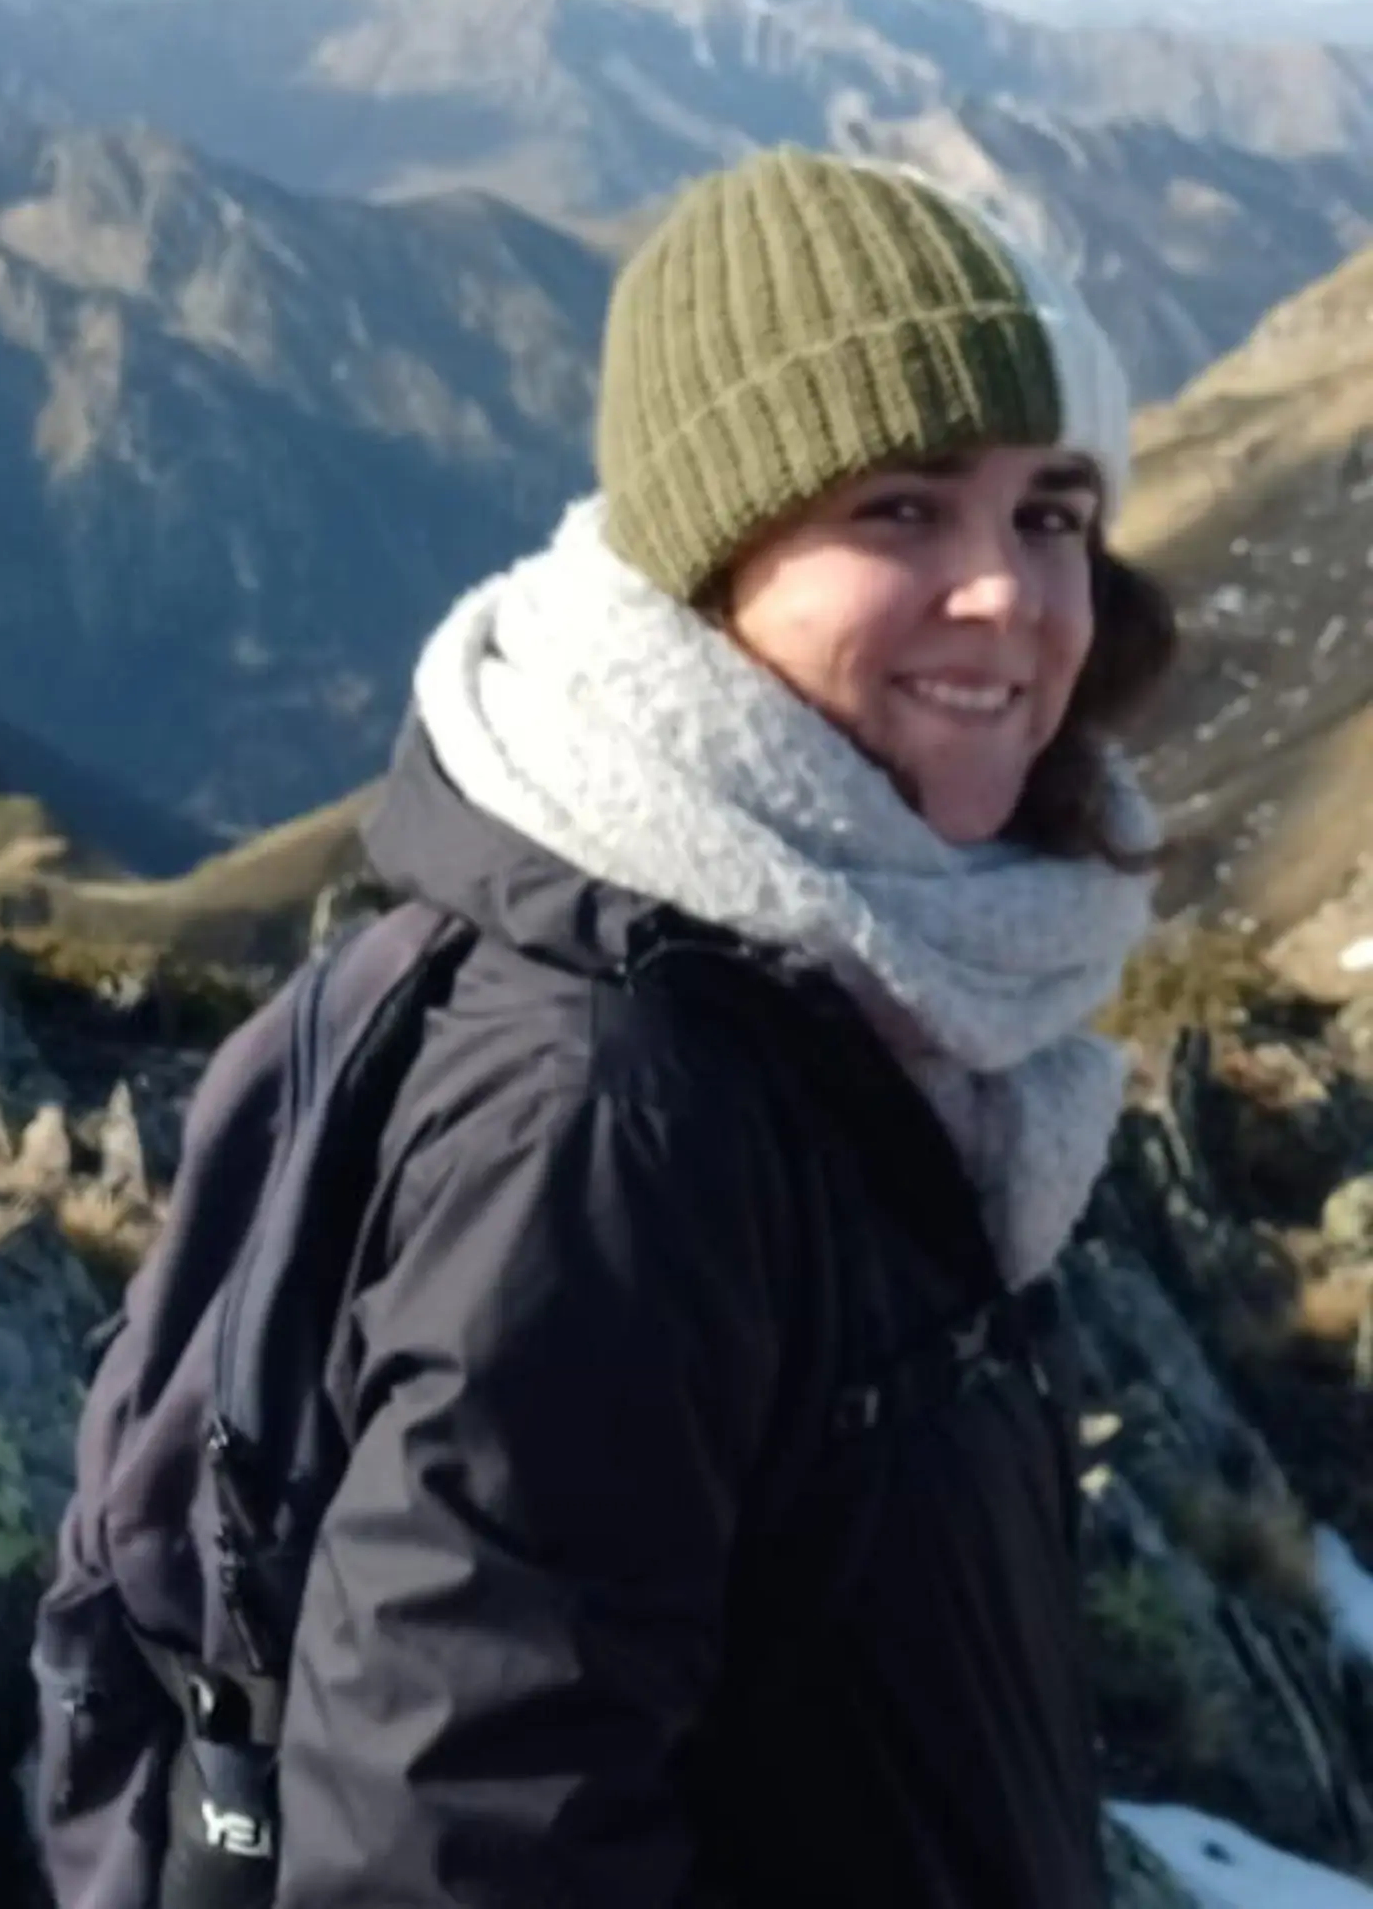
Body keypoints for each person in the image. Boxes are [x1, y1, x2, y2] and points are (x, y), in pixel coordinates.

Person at [271, 147, 1173, 1908]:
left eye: (1050, 513)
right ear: (710, 560)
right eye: (901, 507)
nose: (1008, 591)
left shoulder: (882, 1003)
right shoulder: (614, 1109)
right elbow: (452, 1841)